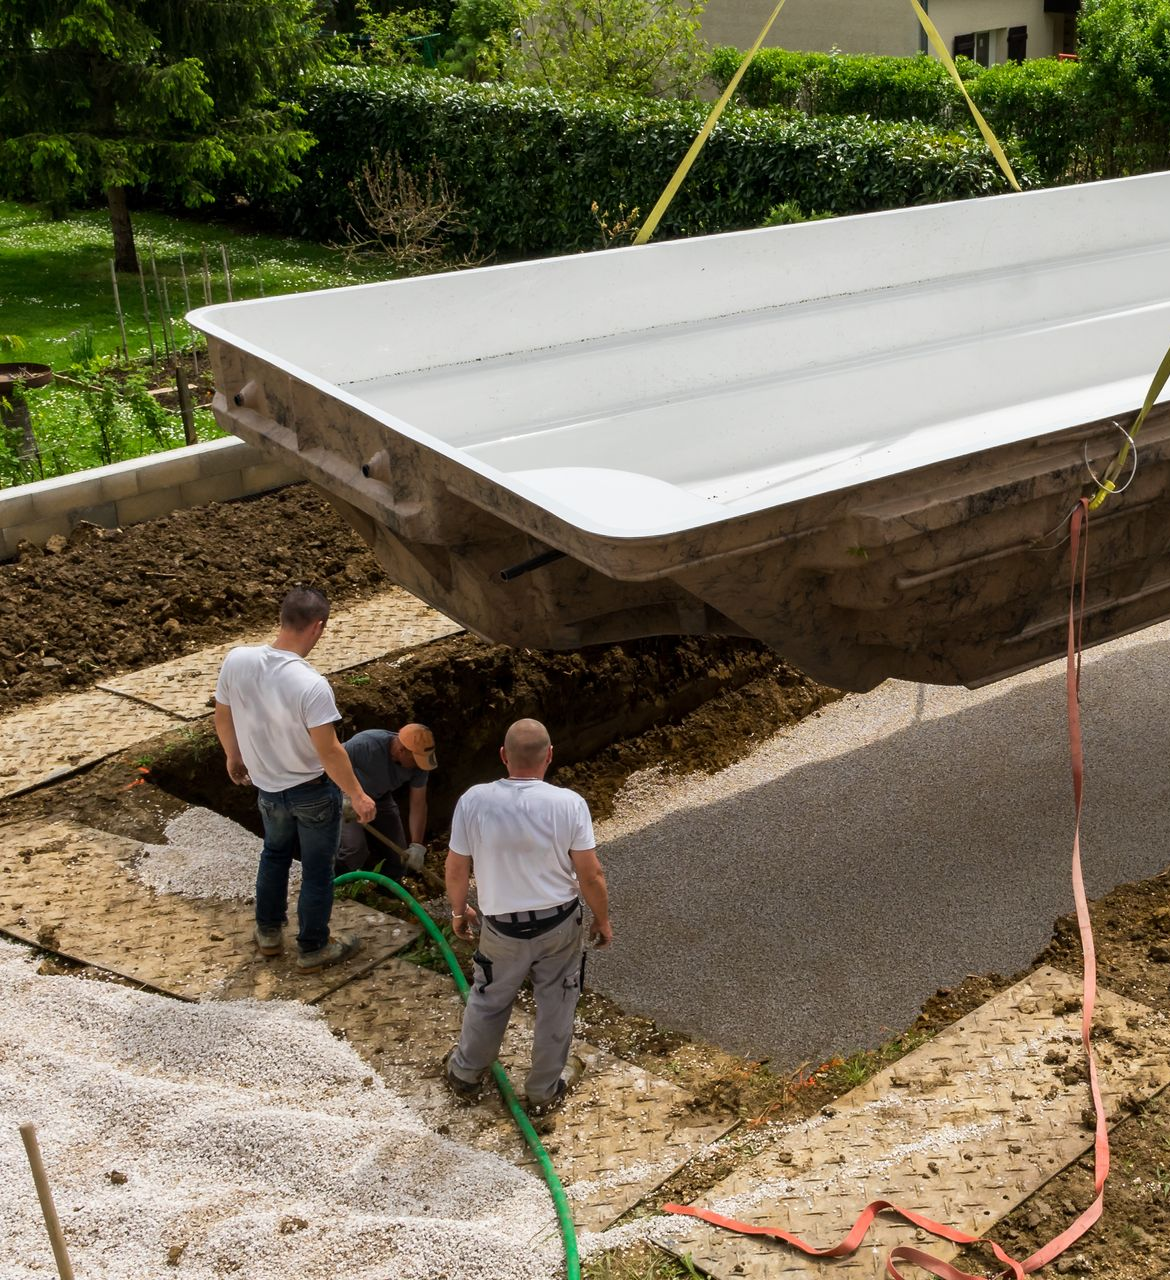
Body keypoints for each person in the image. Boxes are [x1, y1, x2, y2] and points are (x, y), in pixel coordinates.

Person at [444, 718, 613, 1114]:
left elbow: (455, 868)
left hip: (501, 930)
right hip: (559, 925)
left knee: (489, 999)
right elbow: (591, 874)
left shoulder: (473, 800)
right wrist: (602, 920)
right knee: (557, 1001)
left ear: (503, 756)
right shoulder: (569, 804)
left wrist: (458, 909)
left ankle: (466, 1074)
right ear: (549, 756)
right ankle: (543, 1089)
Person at [213, 586, 376, 972]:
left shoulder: (237, 660)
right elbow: (330, 750)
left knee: (274, 855)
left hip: (268, 789)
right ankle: (312, 948)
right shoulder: (312, 686)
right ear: (318, 627)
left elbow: (223, 714)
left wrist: (233, 756)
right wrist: (358, 794)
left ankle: (269, 934)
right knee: (318, 871)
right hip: (312, 794)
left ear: (283, 618)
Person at [339, 724, 438, 878]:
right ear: (401, 750)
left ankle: (387, 895)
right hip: (348, 798)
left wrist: (417, 845)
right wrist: (344, 796)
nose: (419, 765)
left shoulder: (420, 767)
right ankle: (334, 885)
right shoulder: (366, 744)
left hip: (380, 797)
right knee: (355, 850)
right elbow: (329, 761)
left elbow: (418, 804)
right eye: (416, 760)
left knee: (399, 858)